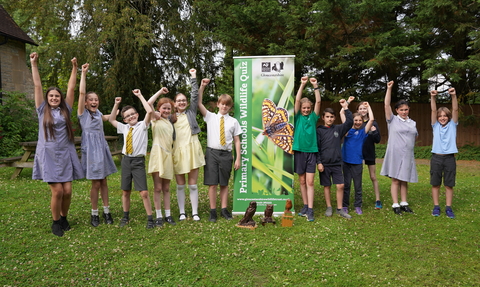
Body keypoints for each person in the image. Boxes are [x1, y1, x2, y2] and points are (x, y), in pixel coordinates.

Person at [30, 52, 84, 237]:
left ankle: (63, 217)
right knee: (58, 192)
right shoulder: (41, 109)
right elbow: (37, 86)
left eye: (57, 96)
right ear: (47, 97)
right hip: (49, 154)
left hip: (65, 153)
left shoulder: (66, 110)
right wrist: (34, 65)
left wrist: (75, 68)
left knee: (67, 191)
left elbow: (71, 89)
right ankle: (55, 223)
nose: (54, 98)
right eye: (51, 96)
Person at [78, 63, 117, 227]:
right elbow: (81, 93)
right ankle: (94, 213)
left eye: (96, 99)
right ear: (86, 103)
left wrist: (116, 105)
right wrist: (83, 74)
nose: (94, 101)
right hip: (91, 151)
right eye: (91, 100)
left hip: (101, 149)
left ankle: (106, 211)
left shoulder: (98, 114)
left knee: (104, 182)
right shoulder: (83, 114)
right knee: (95, 183)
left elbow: (111, 118)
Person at [108, 90, 155, 228]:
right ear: (124, 119)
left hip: (138, 161)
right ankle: (125, 216)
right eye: (127, 116)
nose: (130, 117)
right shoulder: (124, 128)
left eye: (132, 114)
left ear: (137, 115)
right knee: (125, 191)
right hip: (126, 161)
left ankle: (150, 218)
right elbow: (111, 119)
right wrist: (116, 104)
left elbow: (150, 112)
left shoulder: (143, 125)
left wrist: (140, 95)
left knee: (144, 192)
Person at [198, 78, 241, 222]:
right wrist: (202, 86)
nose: (224, 107)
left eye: (227, 105)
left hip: (226, 154)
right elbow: (198, 103)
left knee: (224, 183)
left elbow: (236, 140)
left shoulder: (233, 121)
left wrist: (238, 158)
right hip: (212, 153)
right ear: (218, 104)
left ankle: (224, 209)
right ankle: (212, 211)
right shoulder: (210, 117)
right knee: (212, 184)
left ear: (230, 107)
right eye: (222, 104)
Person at [172, 69, 205, 221]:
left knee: (192, 184)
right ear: (174, 103)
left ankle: (195, 212)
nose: (182, 102)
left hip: (192, 148)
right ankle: (182, 212)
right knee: (180, 184)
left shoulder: (191, 112)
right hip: (177, 151)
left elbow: (195, 94)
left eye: (183, 100)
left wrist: (193, 76)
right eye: (179, 101)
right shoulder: (170, 117)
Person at [380, 81, 418, 215]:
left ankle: (404, 203)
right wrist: (389, 89)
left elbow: (414, 137)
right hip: (395, 153)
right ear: (397, 110)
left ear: (409, 110)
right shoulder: (392, 120)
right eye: (401, 109)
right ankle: (395, 204)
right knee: (396, 179)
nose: (404, 112)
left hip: (407, 154)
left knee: (404, 179)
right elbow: (386, 105)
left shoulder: (412, 123)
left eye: (406, 109)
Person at [316, 99, 353, 219]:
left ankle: (339, 209)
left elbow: (349, 122)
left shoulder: (338, 129)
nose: (330, 119)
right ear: (323, 118)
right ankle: (329, 207)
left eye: (332, 117)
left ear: (335, 118)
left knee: (340, 185)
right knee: (327, 186)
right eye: (327, 117)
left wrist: (346, 108)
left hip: (337, 163)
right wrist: (319, 162)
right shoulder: (319, 131)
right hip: (324, 164)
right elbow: (316, 147)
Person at [147, 88, 177, 227]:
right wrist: (159, 92)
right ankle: (158, 215)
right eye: (164, 108)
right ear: (159, 109)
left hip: (168, 156)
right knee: (157, 187)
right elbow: (149, 103)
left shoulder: (170, 122)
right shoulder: (155, 119)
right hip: (157, 154)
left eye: (168, 109)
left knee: (166, 188)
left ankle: (168, 214)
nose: (166, 111)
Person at [293, 76, 321, 222]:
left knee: (310, 182)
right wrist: (302, 84)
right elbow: (297, 100)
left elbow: (318, 101)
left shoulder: (313, 117)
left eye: (307, 108)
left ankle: (310, 210)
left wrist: (315, 86)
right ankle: (305, 206)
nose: (305, 110)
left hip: (311, 152)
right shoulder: (297, 117)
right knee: (302, 181)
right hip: (298, 151)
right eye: (304, 108)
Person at [340, 101, 374, 215]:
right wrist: (347, 103)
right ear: (352, 121)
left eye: (360, 120)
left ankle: (358, 206)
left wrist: (368, 107)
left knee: (358, 186)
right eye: (356, 120)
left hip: (357, 162)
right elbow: (341, 113)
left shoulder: (363, 132)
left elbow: (372, 119)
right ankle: (345, 206)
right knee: (347, 185)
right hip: (345, 162)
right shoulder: (347, 131)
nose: (358, 122)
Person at [430, 88, 458, 218]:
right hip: (436, 157)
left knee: (448, 184)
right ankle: (436, 207)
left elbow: (455, 110)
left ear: (449, 117)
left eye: (445, 116)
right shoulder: (435, 125)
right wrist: (433, 98)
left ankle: (448, 208)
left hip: (449, 159)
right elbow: (433, 110)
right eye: (440, 116)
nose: (442, 118)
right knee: (435, 184)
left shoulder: (453, 125)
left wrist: (453, 96)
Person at [357, 101, 382, 209]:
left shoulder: (373, 123)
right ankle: (358, 201)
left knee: (373, 176)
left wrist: (374, 131)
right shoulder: (356, 122)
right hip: (357, 153)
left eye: (365, 108)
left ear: (368, 110)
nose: (363, 110)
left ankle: (378, 200)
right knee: (358, 177)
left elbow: (378, 140)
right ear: (358, 111)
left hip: (369, 152)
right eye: (361, 108)